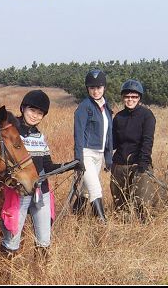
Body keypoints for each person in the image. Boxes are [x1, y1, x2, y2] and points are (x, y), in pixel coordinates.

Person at [0, 90, 77, 263]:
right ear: (23, 108)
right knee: (11, 240)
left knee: (44, 239)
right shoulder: (11, 132)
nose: (35, 116)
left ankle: (39, 275)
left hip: (41, 193)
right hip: (19, 193)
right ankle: (5, 276)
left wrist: (71, 164)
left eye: (40, 113)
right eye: (32, 110)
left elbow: (48, 166)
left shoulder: (40, 136)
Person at [110, 79, 162, 222]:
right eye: (127, 97)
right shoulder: (118, 117)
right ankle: (124, 228)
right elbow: (113, 142)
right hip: (119, 164)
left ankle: (143, 228)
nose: (130, 99)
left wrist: (143, 164)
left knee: (142, 202)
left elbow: (147, 141)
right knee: (120, 203)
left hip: (139, 164)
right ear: (123, 98)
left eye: (134, 97)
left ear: (139, 98)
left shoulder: (147, 115)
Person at [72, 69, 113, 223]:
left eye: (99, 88)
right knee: (95, 189)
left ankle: (76, 217)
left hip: (99, 155)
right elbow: (78, 134)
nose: (96, 91)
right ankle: (102, 224)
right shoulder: (84, 107)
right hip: (87, 154)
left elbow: (109, 134)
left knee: (86, 190)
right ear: (87, 89)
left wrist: (108, 158)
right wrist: (79, 158)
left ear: (104, 88)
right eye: (92, 88)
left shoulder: (106, 107)